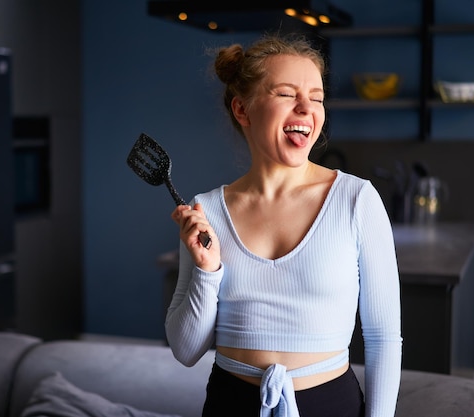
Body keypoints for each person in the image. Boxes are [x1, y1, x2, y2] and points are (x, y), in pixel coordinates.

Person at [166, 33, 402, 417]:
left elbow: (384, 339)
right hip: (229, 404)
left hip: (331, 405)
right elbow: (186, 350)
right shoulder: (205, 212)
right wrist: (207, 272)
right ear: (243, 110)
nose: (306, 108)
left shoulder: (356, 200)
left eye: (317, 97)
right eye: (287, 94)